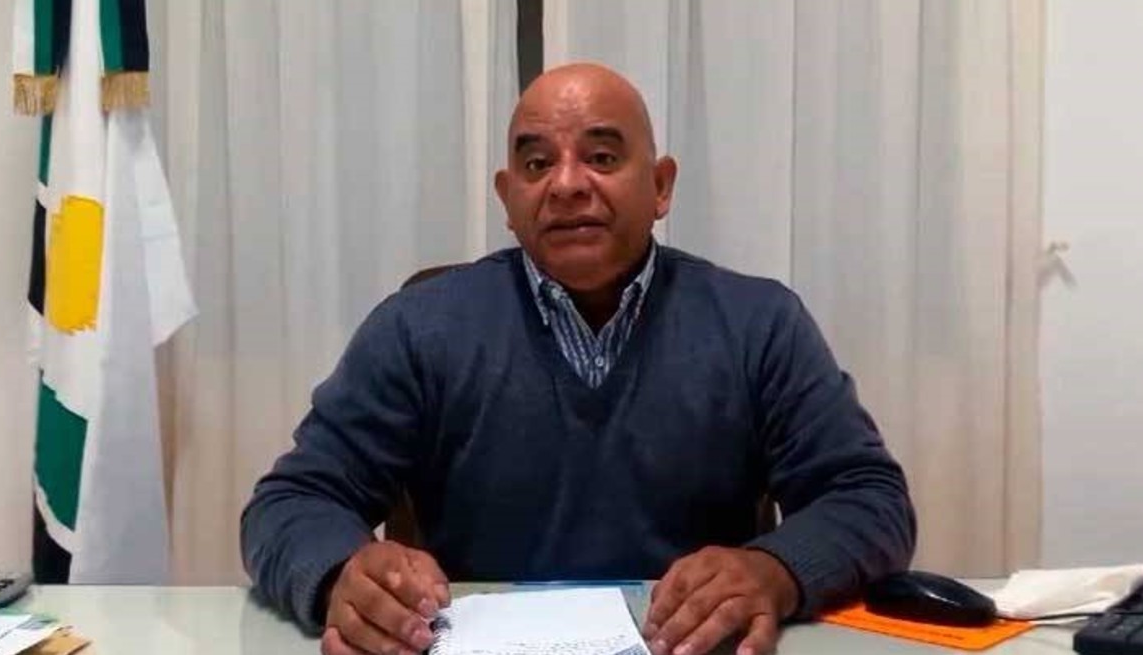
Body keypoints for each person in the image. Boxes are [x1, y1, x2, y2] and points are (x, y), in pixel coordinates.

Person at [242, 62, 916, 655]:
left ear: (661, 186)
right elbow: (291, 501)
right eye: (537, 165)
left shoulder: (757, 322)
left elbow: (869, 499)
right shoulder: (421, 326)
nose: (566, 184)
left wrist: (775, 571)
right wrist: (342, 573)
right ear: (508, 199)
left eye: (601, 156)